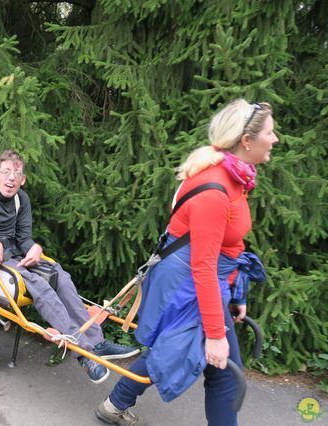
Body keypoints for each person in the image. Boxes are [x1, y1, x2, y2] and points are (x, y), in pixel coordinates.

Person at [95, 99, 276, 425]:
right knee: (220, 373)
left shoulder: (235, 177)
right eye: (270, 132)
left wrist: (236, 293)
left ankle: (114, 404)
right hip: (187, 286)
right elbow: (204, 265)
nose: (275, 139)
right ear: (246, 141)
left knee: (177, 349)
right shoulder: (216, 190)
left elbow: (228, 244)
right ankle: (114, 404)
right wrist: (217, 335)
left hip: (201, 282)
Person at [0, 150, 139, 384]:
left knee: (60, 275)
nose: (11, 178)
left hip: (16, 255)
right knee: (39, 285)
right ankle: (83, 352)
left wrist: (34, 248)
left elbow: (24, 238)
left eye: (17, 174)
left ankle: (97, 343)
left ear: (23, 179)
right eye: (6, 172)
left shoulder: (22, 199)